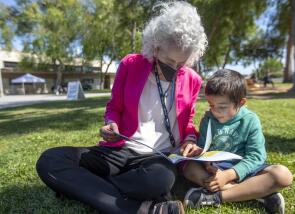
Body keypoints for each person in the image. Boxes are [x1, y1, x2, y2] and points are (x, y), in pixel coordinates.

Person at [36, 1, 207, 214]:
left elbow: (188, 120)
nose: (174, 69)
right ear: (155, 46)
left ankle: (85, 185)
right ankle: (145, 208)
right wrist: (111, 124)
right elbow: (114, 107)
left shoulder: (193, 80)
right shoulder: (130, 64)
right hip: (119, 149)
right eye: (168, 60)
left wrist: (190, 139)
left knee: (161, 180)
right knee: (51, 160)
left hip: (157, 158)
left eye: (180, 64)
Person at [181, 69, 293, 214]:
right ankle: (256, 194)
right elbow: (204, 148)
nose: (215, 111)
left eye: (222, 107)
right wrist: (202, 157)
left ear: (241, 102)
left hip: (247, 171)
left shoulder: (250, 120)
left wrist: (228, 175)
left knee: (283, 175)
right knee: (189, 167)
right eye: (211, 105)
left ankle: (215, 196)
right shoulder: (208, 120)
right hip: (215, 171)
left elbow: (256, 156)